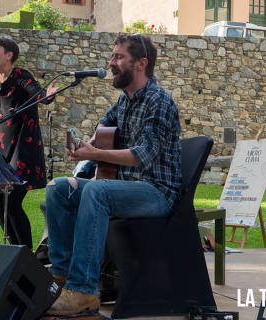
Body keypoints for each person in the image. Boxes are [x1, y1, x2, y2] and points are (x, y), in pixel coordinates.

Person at [45, 33, 182, 316]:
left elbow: (141, 155)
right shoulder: (124, 101)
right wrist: (91, 143)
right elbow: (104, 124)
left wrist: (94, 154)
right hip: (126, 187)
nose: (111, 63)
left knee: (97, 190)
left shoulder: (159, 100)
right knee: (58, 187)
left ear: (141, 63)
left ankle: (83, 291)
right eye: (112, 57)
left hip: (156, 192)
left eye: (119, 57)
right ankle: (61, 277)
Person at [0, 36, 58, 249]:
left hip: (23, 150)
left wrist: (49, 96)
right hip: (3, 153)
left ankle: (25, 254)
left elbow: (39, 95)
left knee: (12, 203)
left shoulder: (21, 75)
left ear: (9, 55)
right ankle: (17, 251)